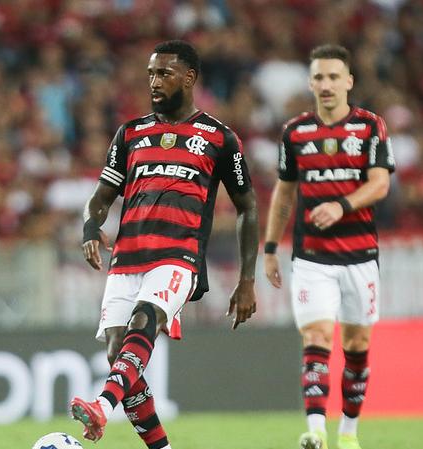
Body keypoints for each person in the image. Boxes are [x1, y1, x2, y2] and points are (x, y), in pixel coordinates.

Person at [70, 40, 259, 449]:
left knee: (146, 318)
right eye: (151, 74)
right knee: (118, 355)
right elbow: (101, 197)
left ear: (189, 78)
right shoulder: (130, 133)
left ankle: (102, 405)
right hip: (126, 257)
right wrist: (90, 227)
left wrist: (247, 279)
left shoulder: (219, 138)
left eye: (164, 73)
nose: (154, 82)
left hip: (178, 256)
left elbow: (247, 206)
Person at [263, 44, 395, 449]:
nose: (326, 84)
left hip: (359, 255)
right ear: (310, 83)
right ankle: (316, 430)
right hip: (312, 258)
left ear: (348, 81)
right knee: (317, 338)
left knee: (356, 346)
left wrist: (341, 205)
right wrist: (270, 247)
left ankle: (349, 433)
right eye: (319, 77)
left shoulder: (370, 127)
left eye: (334, 76)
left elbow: (380, 184)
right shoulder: (295, 132)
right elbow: (284, 194)